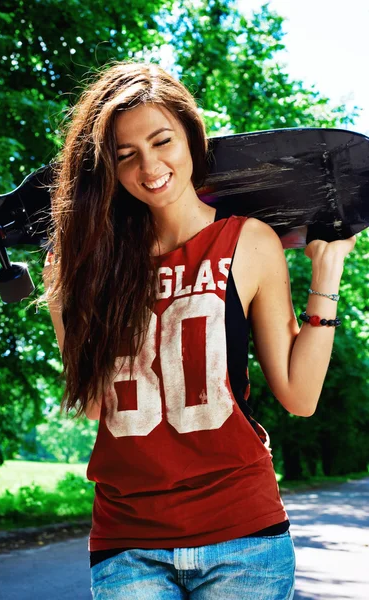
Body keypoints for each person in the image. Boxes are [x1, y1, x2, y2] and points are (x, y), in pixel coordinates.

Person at [42, 61, 356, 600]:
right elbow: (96, 405)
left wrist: (327, 274)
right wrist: (61, 301)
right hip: (128, 540)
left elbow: (299, 396)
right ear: (110, 170)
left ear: (191, 135)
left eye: (163, 140)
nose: (150, 165)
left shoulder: (249, 243)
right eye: (126, 156)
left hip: (243, 536)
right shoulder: (97, 264)